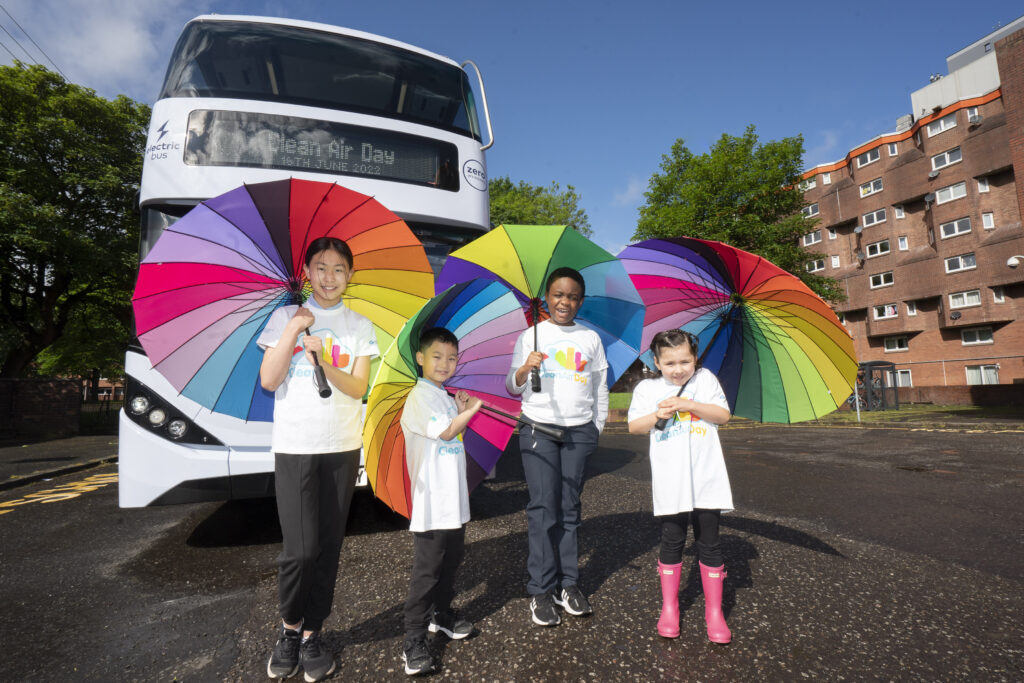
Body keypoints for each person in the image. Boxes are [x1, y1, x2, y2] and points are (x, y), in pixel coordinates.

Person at [257, 237, 378, 681]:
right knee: (300, 551)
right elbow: (269, 381)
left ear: (350, 275)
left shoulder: (359, 325)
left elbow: (359, 388)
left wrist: (325, 362)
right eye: (321, 268)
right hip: (295, 446)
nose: (330, 277)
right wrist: (292, 330)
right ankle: (289, 628)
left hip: (342, 446)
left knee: (328, 547)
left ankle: (313, 633)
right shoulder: (283, 318)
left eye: (339, 269)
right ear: (307, 272)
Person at [506, 267, 608, 626]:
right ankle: (540, 590)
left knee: (569, 508)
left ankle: (569, 584)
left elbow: (599, 386)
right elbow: (511, 386)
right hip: (538, 428)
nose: (565, 301)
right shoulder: (530, 336)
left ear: (581, 301)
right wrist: (523, 369)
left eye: (572, 296)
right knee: (543, 508)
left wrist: (597, 426)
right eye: (558, 295)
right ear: (547, 298)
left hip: (579, 431)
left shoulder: (591, 339)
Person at [626, 329, 733, 644]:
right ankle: (670, 606)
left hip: (706, 477)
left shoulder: (705, 380)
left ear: (695, 358)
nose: (678, 368)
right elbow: (634, 426)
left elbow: (723, 416)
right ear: (657, 362)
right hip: (671, 479)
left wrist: (689, 403)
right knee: (672, 539)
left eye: (685, 361)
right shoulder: (647, 388)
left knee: (709, 543)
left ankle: (714, 613)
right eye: (670, 362)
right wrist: (657, 413)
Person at [399, 326, 483, 675]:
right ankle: (413, 642)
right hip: (432, 503)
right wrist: (472, 410)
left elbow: (450, 425)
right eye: (437, 356)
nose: (445, 363)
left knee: (451, 564)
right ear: (420, 358)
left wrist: (459, 406)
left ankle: (442, 615)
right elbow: (447, 431)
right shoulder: (419, 396)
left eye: (451, 358)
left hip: (454, 502)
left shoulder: (444, 396)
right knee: (427, 573)